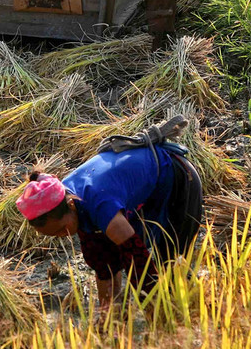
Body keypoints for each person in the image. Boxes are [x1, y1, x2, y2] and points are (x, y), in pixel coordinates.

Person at [16, 120, 203, 315]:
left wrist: (154, 310)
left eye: (61, 229)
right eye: (54, 235)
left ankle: (191, 313)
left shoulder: (99, 203)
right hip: (142, 194)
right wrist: (107, 315)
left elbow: (138, 261)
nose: (63, 235)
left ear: (71, 206)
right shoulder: (67, 199)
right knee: (100, 253)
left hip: (179, 178)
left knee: (171, 261)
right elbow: (104, 268)